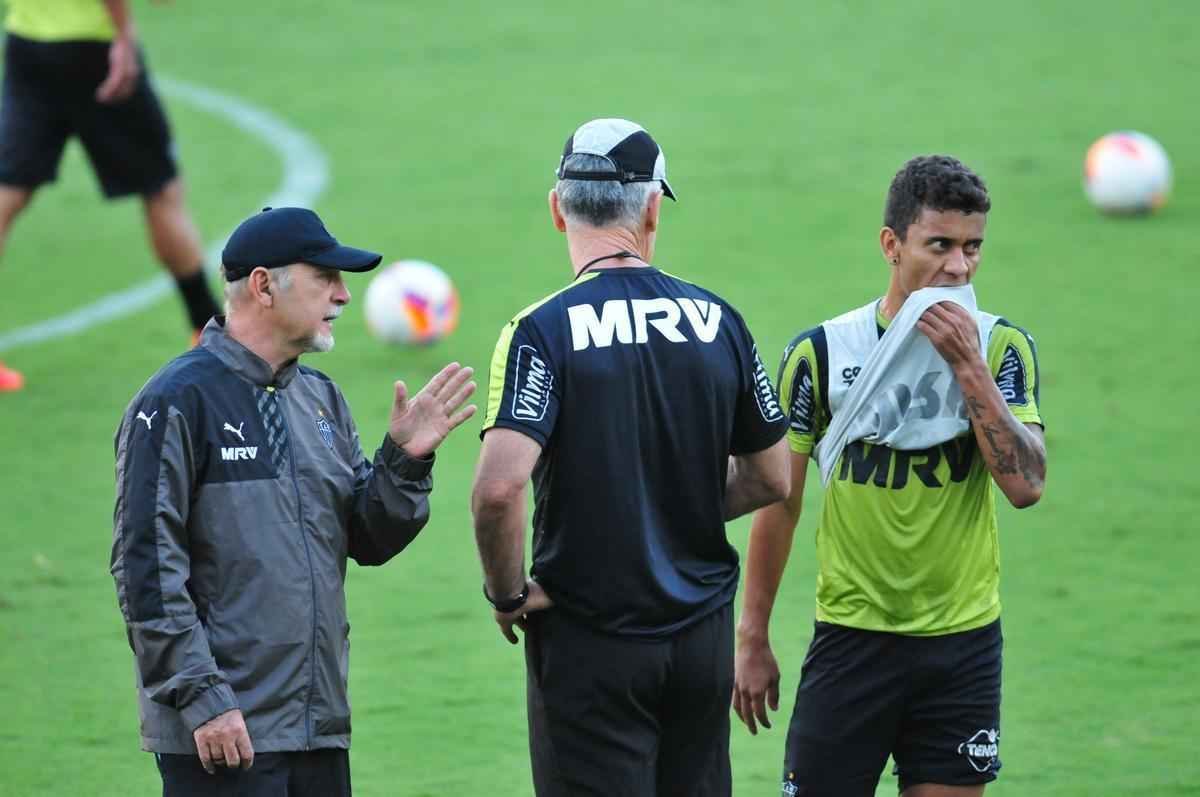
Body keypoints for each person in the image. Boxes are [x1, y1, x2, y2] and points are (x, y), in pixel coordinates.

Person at [470, 118, 791, 797]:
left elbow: (499, 490)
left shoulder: (539, 331)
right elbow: (772, 475)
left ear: (558, 210)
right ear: (652, 208)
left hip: (590, 640)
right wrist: (676, 500)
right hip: (702, 639)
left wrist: (506, 593)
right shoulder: (719, 319)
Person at [110, 207, 476, 796]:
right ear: (262, 286)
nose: (344, 295)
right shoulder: (175, 403)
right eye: (325, 278)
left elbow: (367, 539)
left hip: (317, 726)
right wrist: (203, 698)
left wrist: (404, 462)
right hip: (225, 734)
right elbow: (145, 571)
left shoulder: (320, 399)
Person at [732, 155, 1047, 797]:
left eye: (973, 248)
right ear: (891, 245)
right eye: (940, 245)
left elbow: (1025, 486)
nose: (959, 267)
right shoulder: (821, 354)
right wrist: (753, 636)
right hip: (852, 643)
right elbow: (779, 500)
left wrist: (968, 368)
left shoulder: (999, 349)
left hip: (961, 645)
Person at [0, 0, 220, 391]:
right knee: (162, 190)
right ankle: (207, 330)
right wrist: (123, 36)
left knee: (8, 193)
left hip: (26, 42)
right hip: (94, 47)